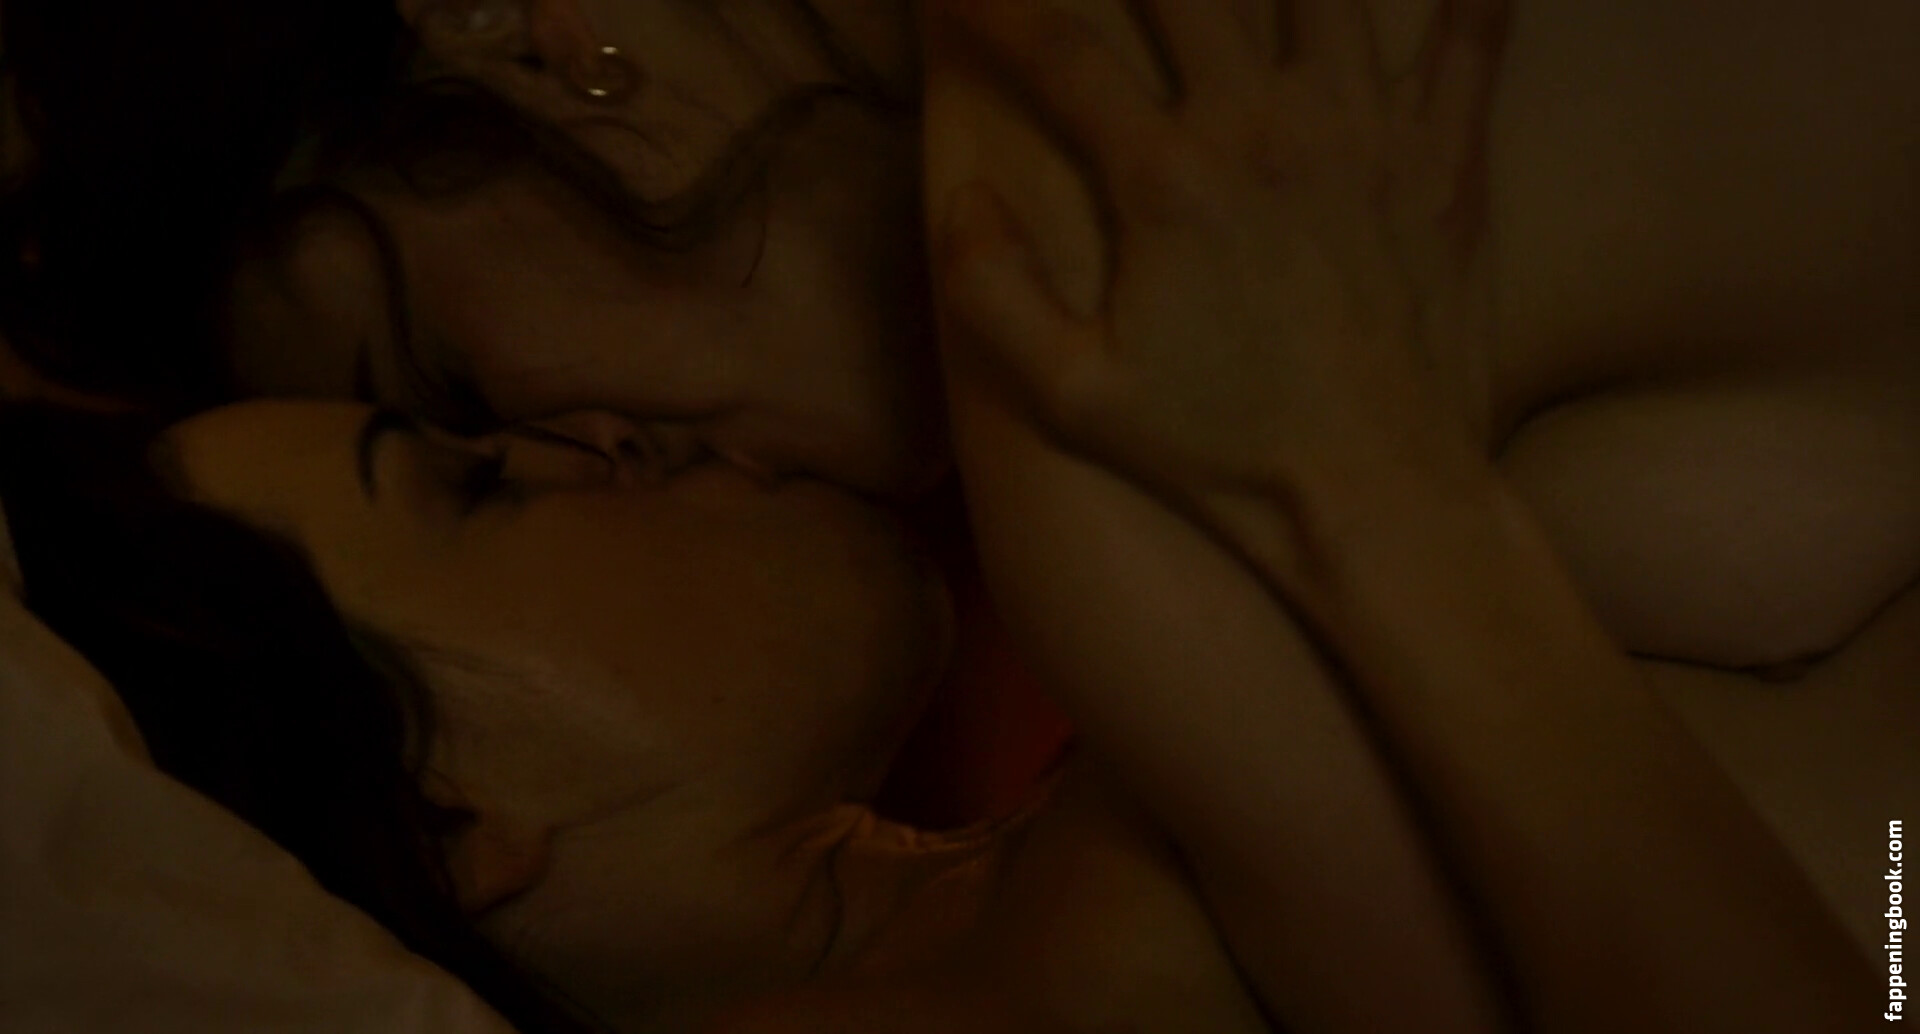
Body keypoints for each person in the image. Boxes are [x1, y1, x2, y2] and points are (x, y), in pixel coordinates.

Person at [0, 2, 1883, 1031]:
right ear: (455, 822)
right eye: (470, 446)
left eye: (459, 400)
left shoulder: (1119, 346)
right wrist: (1365, 490)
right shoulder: (1164, 511)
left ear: (519, 40)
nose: (597, 444)